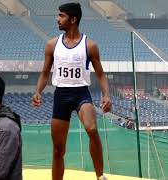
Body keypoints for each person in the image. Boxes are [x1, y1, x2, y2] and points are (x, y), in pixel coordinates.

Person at [31, 3, 112, 180]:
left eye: (61, 16)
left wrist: (106, 95)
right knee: (58, 149)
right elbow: (45, 73)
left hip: (81, 93)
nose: (57, 19)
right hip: (61, 95)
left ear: (73, 19)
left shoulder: (90, 46)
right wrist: (38, 91)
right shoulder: (52, 45)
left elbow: (101, 74)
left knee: (91, 129)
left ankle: (100, 176)